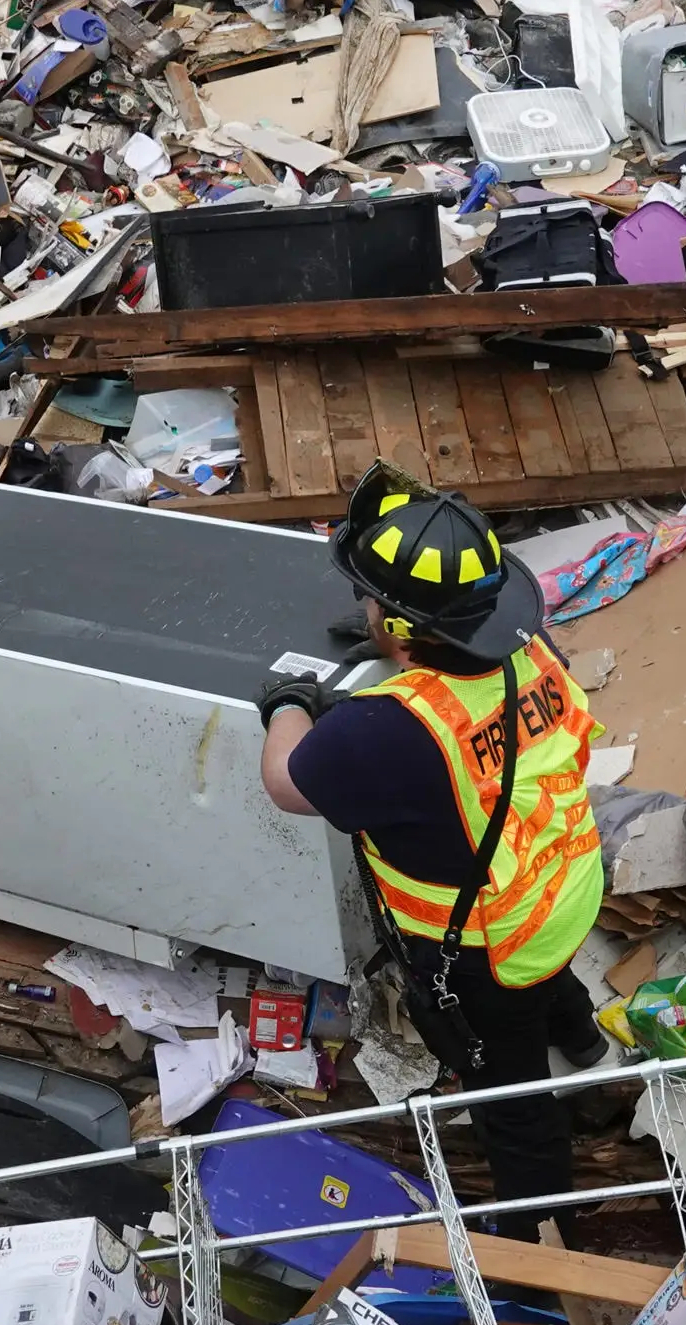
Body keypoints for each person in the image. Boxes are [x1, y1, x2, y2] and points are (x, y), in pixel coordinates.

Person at [254, 467, 613, 1230]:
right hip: (563, 885)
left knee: (505, 1091)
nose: (362, 605)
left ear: (394, 623)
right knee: (551, 984)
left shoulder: (383, 730)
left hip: (488, 948)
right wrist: (399, 652)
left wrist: (287, 705)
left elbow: (288, 784)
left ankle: (533, 1227)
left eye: (372, 601)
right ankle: (589, 1053)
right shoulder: (532, 649)